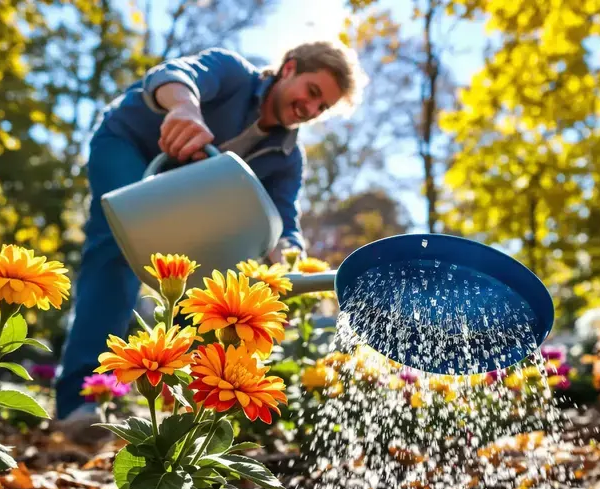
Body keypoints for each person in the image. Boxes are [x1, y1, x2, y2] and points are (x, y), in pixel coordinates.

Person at [55, 41, 366, 426]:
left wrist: (286, 262)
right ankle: (79, 401)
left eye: (322, 108)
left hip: (187, 199)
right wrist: (184, 108)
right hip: (129, 145)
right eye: (313, 92)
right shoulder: (233, 73)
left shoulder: (287, 156)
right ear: (289, 69)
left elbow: (283, 217)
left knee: (206, 292)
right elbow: (172, 77)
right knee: (116, 248)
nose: (311, 109)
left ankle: (179, 414)